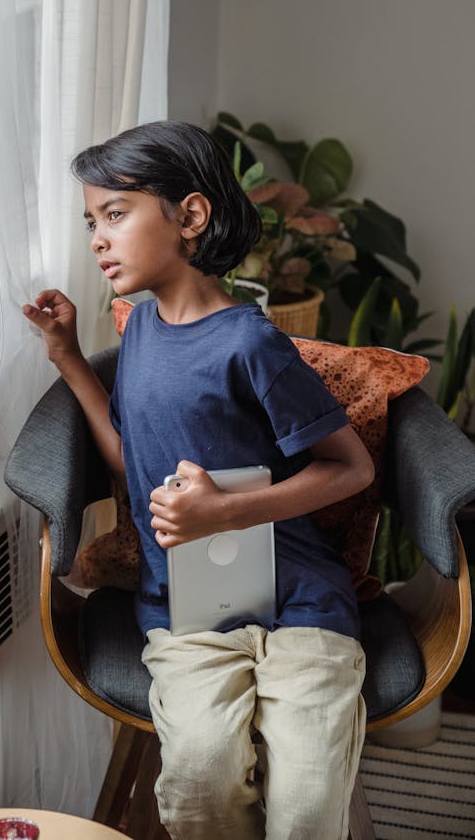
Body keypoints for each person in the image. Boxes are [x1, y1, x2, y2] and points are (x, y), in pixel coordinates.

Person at [23, 120, 374, 840]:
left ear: (189, 216)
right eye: (91, 220)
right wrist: (66, 358)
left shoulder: (251, 342)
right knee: (199, 787)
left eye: (115, 214)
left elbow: (352, 466)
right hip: (187, 613)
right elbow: (131, 459)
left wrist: (226, 512)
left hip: (302, 603)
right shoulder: (141, 332)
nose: (97, 237)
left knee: (307, 800)